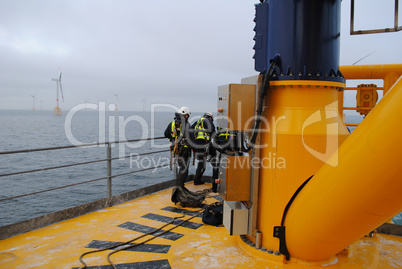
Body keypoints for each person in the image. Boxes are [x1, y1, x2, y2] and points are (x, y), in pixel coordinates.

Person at [190, 112, 219, 192]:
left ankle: (197, 180)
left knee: (201, 162)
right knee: (215, 163)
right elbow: (213, 131)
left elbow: (190, 132)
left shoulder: (197, 122)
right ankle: (214, 186)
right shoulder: (207, 120)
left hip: (197, 147)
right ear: (210, 117)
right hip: (205, 145)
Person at [164, 106, 192, 188]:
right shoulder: (187, 124)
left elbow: (166, 134)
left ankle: (179, 186)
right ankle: (180, 187)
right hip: (185, 150)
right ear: (185, 115)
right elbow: (191, 137)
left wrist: (173, 139)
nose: (187, 117)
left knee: (182, 168)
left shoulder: (172, 124)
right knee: (184, 169)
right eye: (187, 115)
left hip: (176, 150)